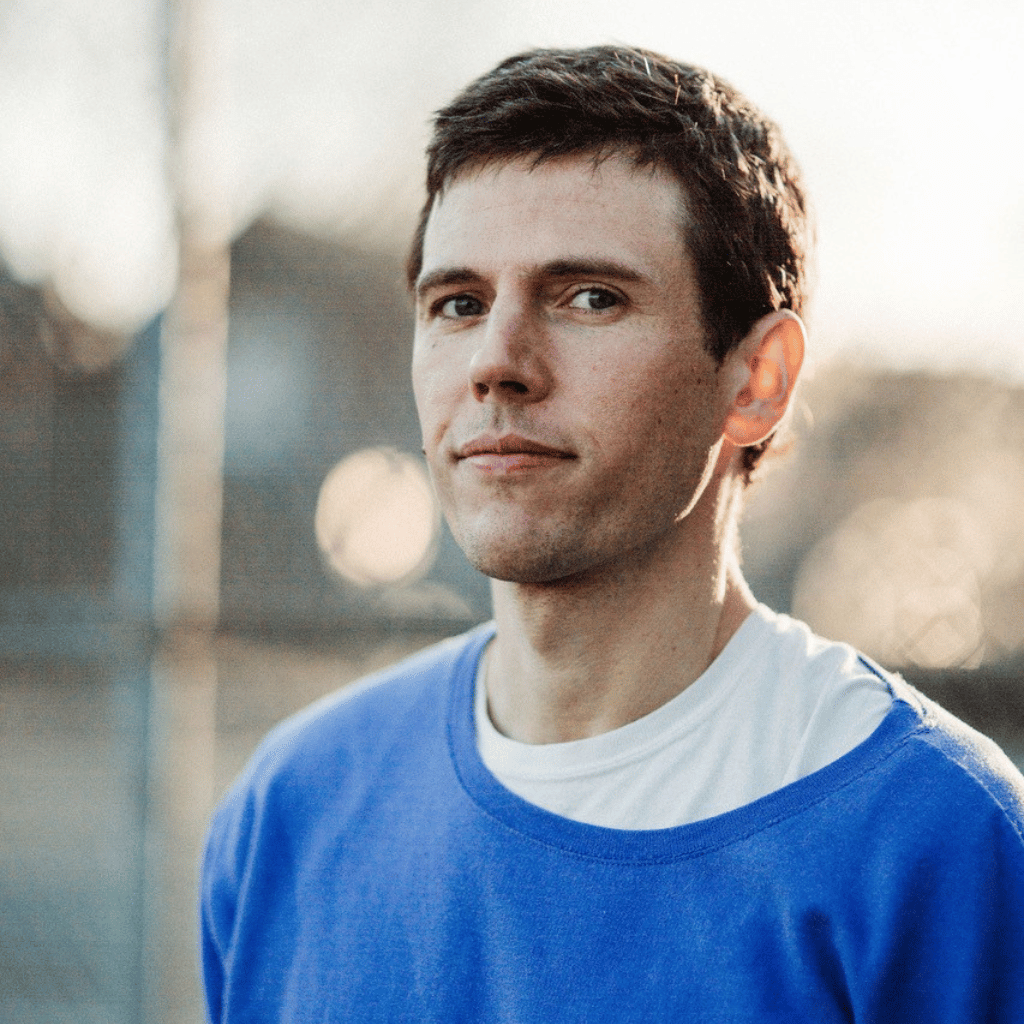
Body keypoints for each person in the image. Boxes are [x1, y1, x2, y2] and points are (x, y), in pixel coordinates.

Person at [200, 45, 1024, 1021]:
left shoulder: (934, 838)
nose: (496, 362)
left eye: (590, 297)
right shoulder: (290, 809)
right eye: (457, 304)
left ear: (757, 380)